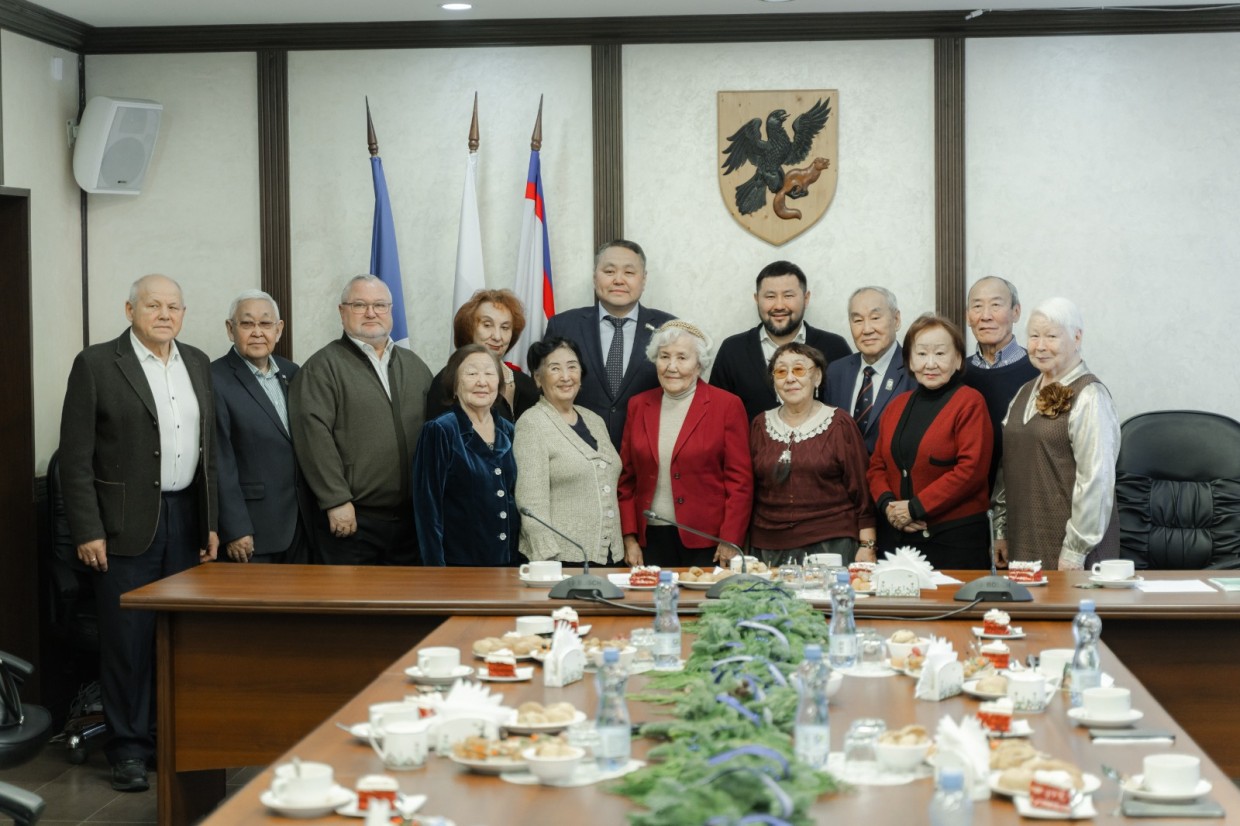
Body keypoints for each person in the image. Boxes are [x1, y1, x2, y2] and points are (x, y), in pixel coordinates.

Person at [58, 274, 218, 792]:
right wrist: (88, 529)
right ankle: (128, 749)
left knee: (178, 637)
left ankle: (164, 739)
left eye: (174, 306)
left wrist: (212, 522)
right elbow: (75, 459)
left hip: (186, 520)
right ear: (130, 309)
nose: (165, 314)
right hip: (122, 527)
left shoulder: (195, 361)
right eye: (154, 305)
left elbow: (209, 451)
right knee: (128, 642)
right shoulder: (98, 364)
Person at [290, 274, 433, 565]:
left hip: (411, 522)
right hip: (352, 520)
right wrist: (336, 500)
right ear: (342, 312)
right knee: (354, 608)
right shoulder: (322, 368)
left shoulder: (414, 365)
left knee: (406, 608)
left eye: (379, 305)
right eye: (359, 305)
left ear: (391, 311)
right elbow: (313, 438)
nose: (371, 312)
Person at [994, 297, 1120, 571]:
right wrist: (1001, 531)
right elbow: (1009, 466)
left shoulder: (1090, 396)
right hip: (1023, 540)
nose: (1040, 346)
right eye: (1034, 336)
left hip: (1074, 550)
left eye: (1051, 336)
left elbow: (1096, 479)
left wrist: (1075, 550)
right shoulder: (1023, 392)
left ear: (1077, 337)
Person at [618, 320, 753, 568]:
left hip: (708, 541)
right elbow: (626, 480)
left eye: (682, 357)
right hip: (649, 541)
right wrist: (629, 538)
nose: (671, 367)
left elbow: (740, 482)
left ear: (699, 364)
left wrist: (730, 540)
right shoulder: (638, 405)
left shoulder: (726, 405)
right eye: (664, 356)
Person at [867, 314, 993, 568]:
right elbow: (877, 466)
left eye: (940, 353)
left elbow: (971, 471)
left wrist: (914, 508)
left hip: (955, 541)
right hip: (899, 540)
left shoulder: (970, 402)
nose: (930, 363)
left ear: (958, 359)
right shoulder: (895, 406)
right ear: (910, 361)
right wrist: (890, 507)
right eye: (922, 354)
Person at [749, 342, 876, 567]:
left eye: (799, 370)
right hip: (768, 546)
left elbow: (863, 492)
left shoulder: (839, 424)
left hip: (830, 545)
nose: (790, 378)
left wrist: (867, 546)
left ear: (816, 377)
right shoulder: (760, 425)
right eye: (781, 371)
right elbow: (750, 490)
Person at [212, 290, 314, 563]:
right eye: (247, 324)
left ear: (278, 330)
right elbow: (220, 461)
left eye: (265, 324)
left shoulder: (292, 372)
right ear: (230, 329)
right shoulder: (214, 379)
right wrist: (235, 528)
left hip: (301, 526)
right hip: (252, 530)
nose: (257, 332)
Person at [543, 239, 675, 449]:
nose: (619, 280)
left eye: (629, 273)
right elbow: (547, 393)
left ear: (644, 279)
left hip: (647, 454)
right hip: (577, 452)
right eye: (609, 271)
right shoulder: (563, 326)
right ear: (595, 277)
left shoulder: (668, 328)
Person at [514, 338, 622, 565]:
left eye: (572, 367)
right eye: (555, 368)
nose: (566, 376)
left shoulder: (594, 420)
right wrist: (546, 560)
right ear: (537, 378)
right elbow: (530, 503)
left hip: (610, 556)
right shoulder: (532, 423)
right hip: (562, 560)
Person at [412, 344, 520, 566]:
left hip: (508, 564)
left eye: (490, 374)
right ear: (454, 384)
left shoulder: (510, 430)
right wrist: (435, 570)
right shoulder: (441, 430)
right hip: (458, 566)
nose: (482, 381)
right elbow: (427, 510)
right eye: (471, 373)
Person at [710, 260, 851, 421]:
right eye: (770, 296)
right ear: (757, 299)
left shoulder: (835, 347)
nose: (778, 305)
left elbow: (847, 413)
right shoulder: (733, 350)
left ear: (806, 298)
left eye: (788, 296)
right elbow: (716, 417)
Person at [961, 276, 1038, 487]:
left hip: (1025, 494)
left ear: (1016, 312)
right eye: (977, 306)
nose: (986, 316)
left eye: (996, 305)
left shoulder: (1040, 373)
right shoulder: (955, 374)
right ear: (968, 316)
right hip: (966, 499)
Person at [825, 286, 917, 454]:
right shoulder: (836, 371)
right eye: (858, 320)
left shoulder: (916, 369)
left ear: (896, 320)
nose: (867, 329)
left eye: (875, 318)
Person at [427, 289, 540, 423]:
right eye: (487, 325)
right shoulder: (448, 381)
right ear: (469, 328)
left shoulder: (525, 383)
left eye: (505, 327)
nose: (497, 337)